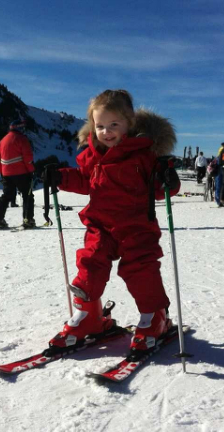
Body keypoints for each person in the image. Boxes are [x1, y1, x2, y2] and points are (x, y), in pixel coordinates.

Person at [42, 89, 180, 356]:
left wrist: (167, 179)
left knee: (139, 269)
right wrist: (60, 177)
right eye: (100, 126)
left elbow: (159, 188)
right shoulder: (93, 154)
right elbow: (85, 180)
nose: (106, 132)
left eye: (114, 124)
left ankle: (155, 317)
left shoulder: (143, 154)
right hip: (101, 225)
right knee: (90, 264)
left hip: (136, 226)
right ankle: (89, 317)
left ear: (129, 122)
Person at [0, 119, 35, 229]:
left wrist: (2, 173)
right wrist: (31, 170)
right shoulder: (22, 139)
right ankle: (28, 220)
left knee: (6, 196)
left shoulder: (3, 140)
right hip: (22, 173)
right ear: (19, 128)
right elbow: (28, 158)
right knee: (27, 195)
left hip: (6, 174)